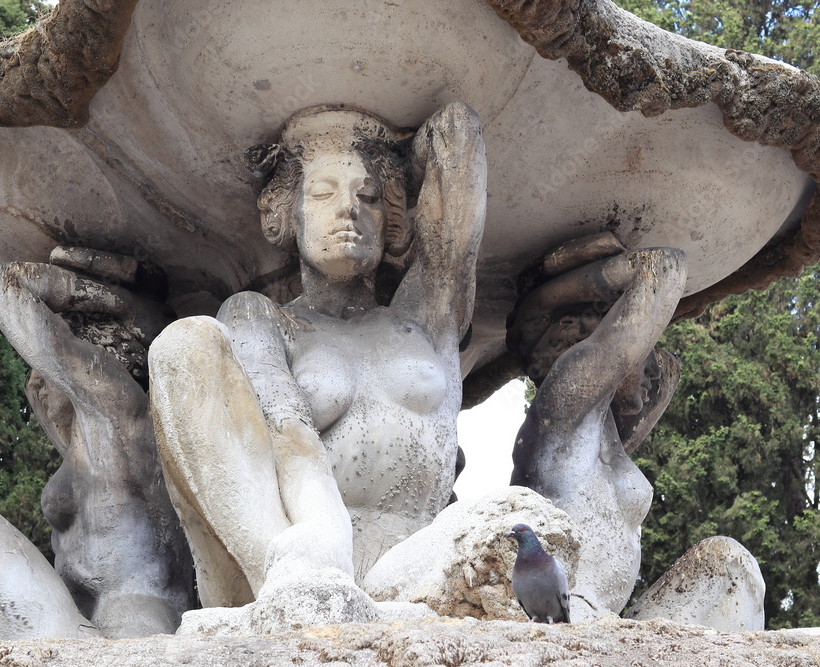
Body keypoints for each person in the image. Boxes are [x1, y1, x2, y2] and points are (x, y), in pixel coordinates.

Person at [147, 102, 487, 618]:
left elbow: (459, 139)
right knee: (184, 345)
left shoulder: (425, 318)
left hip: (410, 556)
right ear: (290, 214)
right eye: (323, 193)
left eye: (368, 197)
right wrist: (318, 549)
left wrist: (399, 154)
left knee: (513, 525)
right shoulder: (261, 318)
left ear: (390, 218)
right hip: (288, 547)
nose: (347, 209)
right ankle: (293, 587)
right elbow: (288, 431)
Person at [0, 249, 195, 646]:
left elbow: (4, 283)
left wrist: (113, 298)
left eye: (62, 341)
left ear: (95, 357)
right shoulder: (86, 448)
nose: (36, 379)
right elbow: (40, 396)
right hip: (73, 627)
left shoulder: (125, 414)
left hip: (128, 636)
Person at [507, 233, 687, 618]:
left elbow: (669, 373)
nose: (653, 369)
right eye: (643, 348)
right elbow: (665, 269)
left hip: (607, 618)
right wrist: (593, 274)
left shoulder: (604, 438)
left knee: (727, 561)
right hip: (569, 617)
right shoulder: (564, 407)